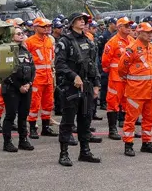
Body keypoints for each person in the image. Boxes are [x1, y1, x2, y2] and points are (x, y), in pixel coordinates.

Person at [53, 12, 100, 166]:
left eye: (84, 20)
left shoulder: (89, 41)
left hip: (86, 87)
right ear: (72, 22)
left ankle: (85, 152)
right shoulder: (65, 41)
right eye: (79, 20)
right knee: (67, 121)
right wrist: (73, 76)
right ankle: (64, 153)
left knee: (85, 120)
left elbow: (94, 65)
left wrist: (97, 85)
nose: (82, 22)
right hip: (70, 88)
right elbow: (59, 64)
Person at [118, 22, 152, 156]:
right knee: (131, 119)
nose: (150, 35)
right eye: (147, 32)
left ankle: (147, 143)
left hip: (151, 91)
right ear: (139, 32)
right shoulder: (131, 49)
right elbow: (121, 69)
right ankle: (128, 144)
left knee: (149, 119)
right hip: (136, 92)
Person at [0, 25, 36, 152]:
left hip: (26, 88)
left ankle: (23, 140)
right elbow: (6, 72)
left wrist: (29, 84)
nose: (21, 35)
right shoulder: (7, 51)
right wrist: (18, 86)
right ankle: (7, 142)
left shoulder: (26, 51)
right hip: (11, 88)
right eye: (18, 33)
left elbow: (33, 69)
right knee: (10, 115)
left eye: (22, 33)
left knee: (23, 115)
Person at [24, 17, 58, 138]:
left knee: (48, 103)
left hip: (48, 77)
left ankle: (46, 127)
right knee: (34, 104)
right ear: (36, 27)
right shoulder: (29, 42)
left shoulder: (49, 40)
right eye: (44, 26)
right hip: (36, 78)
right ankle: (32, 128)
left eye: (48, 26)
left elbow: (52, 58)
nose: (47, 28)